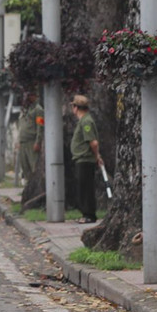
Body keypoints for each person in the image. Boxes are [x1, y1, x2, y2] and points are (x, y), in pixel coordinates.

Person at [70, 94, 102, 223]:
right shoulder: (83, 121)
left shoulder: (86, 121)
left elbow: (93, 142)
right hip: (81, 159)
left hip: (85, 159)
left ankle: (88, 215)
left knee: (85, 189)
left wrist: (97, 156)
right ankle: (86, 213)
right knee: (82, 188)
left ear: (76, 107)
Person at [18, 91, 43, 180]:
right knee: (25, 167)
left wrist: (38, 142)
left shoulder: (38, 109)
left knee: (34, 167)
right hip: (23, 142)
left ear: (34, 96)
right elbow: (21, 126)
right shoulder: (25, 109)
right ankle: (29, 187)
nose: (26, 98)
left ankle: (36, 187)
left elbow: (40, 127)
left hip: (31, 142)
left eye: (29, 95)